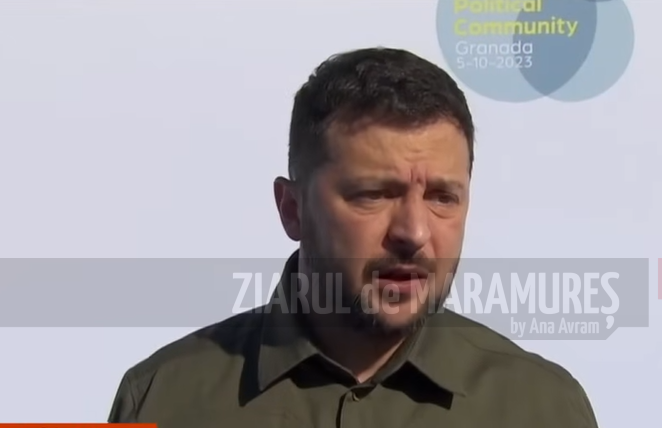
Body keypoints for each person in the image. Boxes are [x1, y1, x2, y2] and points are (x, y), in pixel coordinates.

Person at [107, 47, 599, 427]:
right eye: (374, 195)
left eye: (442, 197)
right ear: (292, 210)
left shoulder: (543, 407)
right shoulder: (161, 399)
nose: (414, 232)